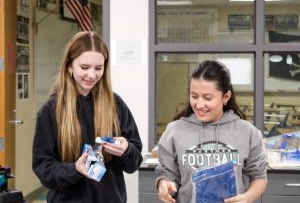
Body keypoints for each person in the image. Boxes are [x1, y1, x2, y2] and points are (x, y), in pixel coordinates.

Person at [32, 31, 143, 203]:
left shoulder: (116, 104)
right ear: (69, 66)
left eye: (98, 68)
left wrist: (126, 150)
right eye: (84, 67)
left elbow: (134, 163)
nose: (92, 75)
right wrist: (75, 169)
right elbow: (43, 168)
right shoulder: (50, 110)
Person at [156, 60, 267, 203]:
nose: (199, 104)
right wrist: (164, 184)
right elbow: (166, 173)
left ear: (226, 97)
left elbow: (259, 176)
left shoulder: (248, 132)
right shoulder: (174, 131)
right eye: (194, 96)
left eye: (208, 98)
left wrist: (247, 197)